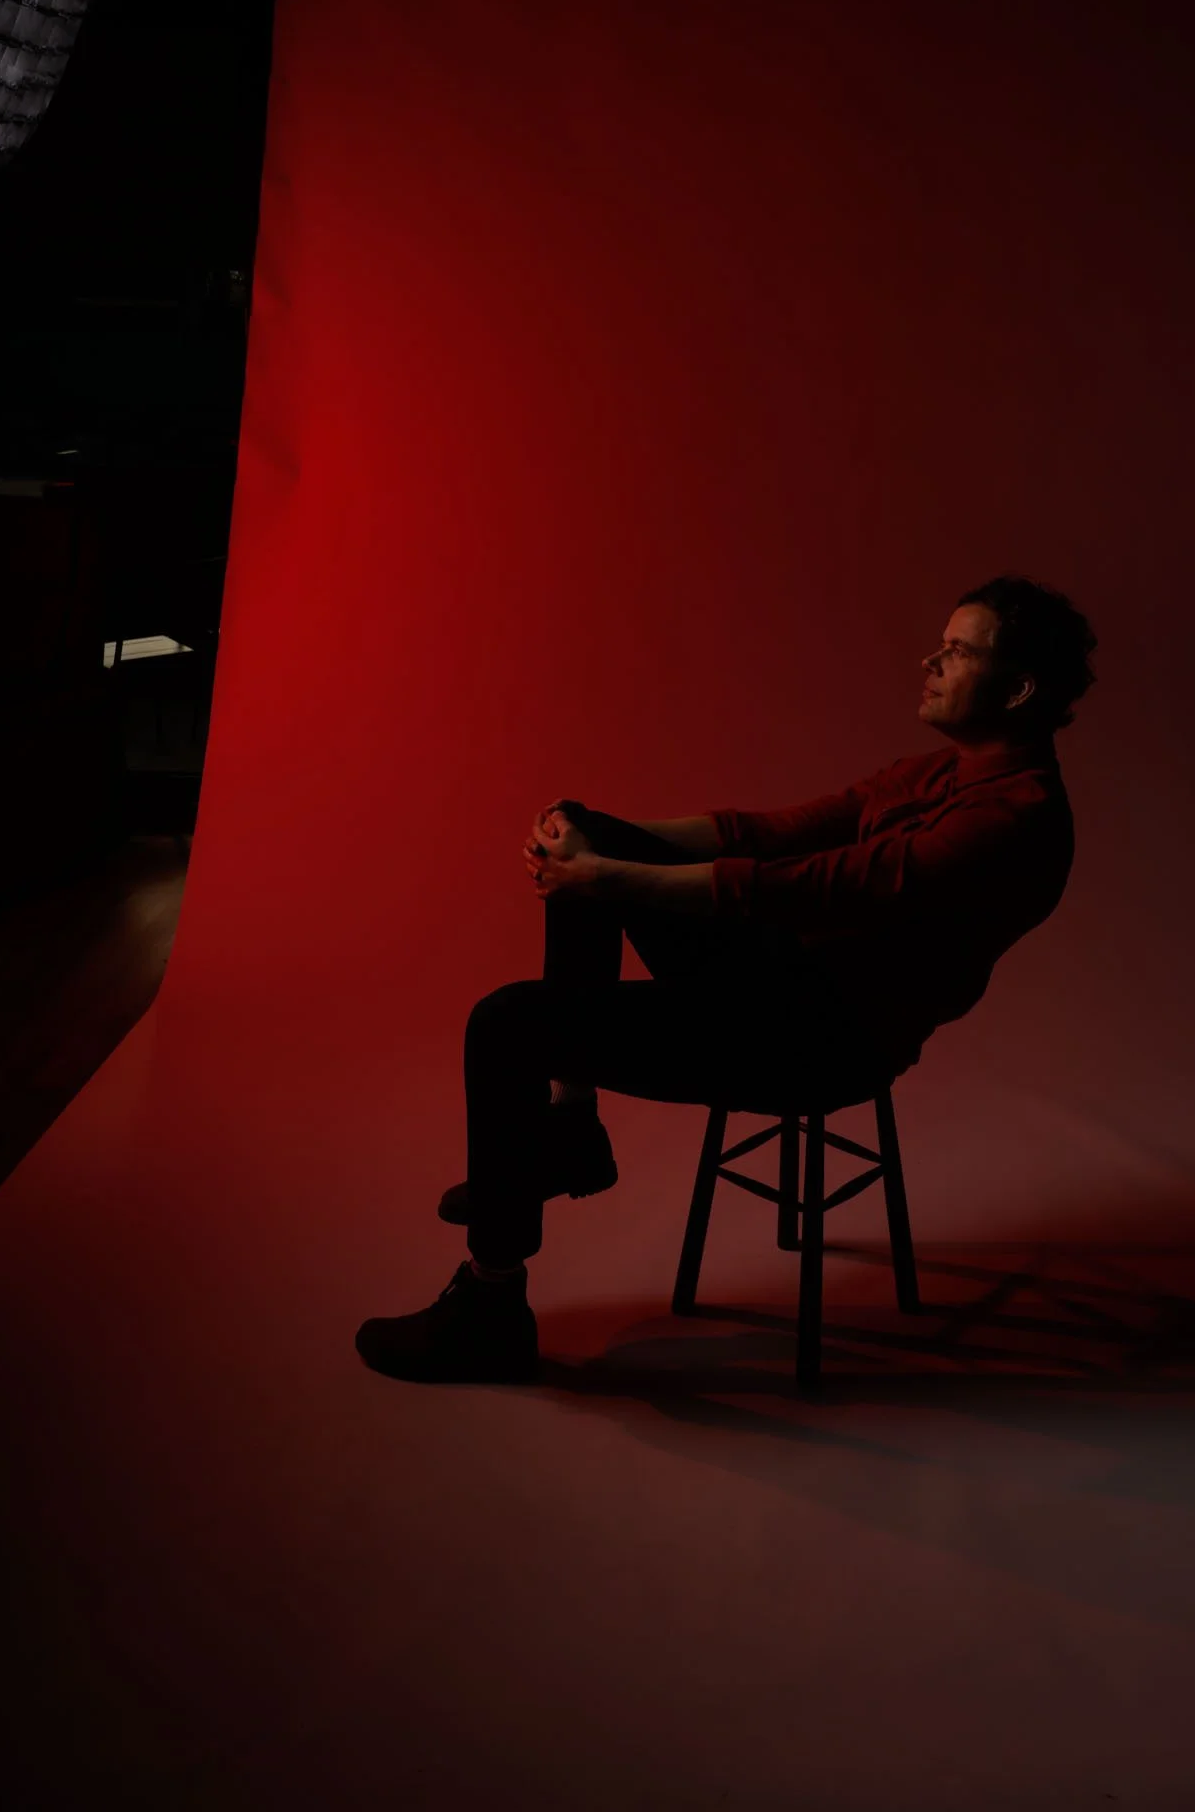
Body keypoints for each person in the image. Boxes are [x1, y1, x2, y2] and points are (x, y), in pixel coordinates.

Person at [355, 573, 1095, 1382]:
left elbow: (810, 885)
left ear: (1017, 689)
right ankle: (569, 1129)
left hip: (821, 1039)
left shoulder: (1012, 819)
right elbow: (770, 833)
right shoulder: (939, 772)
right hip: (781, 985)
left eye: (956, 651)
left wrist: (602, 877)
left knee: (507, 1022)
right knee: (588, 823)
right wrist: (595, 842)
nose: (930, 661)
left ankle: (492, 1302)